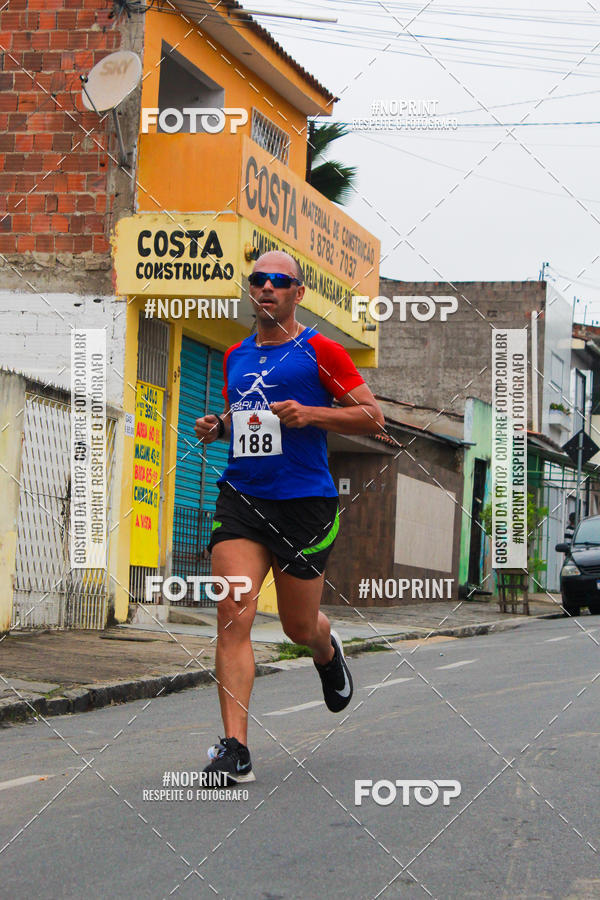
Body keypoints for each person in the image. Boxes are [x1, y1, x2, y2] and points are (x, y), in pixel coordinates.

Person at [193, 249, 384, 784]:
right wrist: (221, 427)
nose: (268, 288)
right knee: (233, 615)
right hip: (243, 498)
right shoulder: (235, 355)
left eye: (280, 281)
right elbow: (248, 423)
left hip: (305, 504)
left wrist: (313, 413)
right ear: (250, 290)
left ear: (298, 294)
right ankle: (235, 750)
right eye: (258, 280)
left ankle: (326, 651)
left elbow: (373, 416)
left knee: (298, 625)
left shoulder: (321, 351)